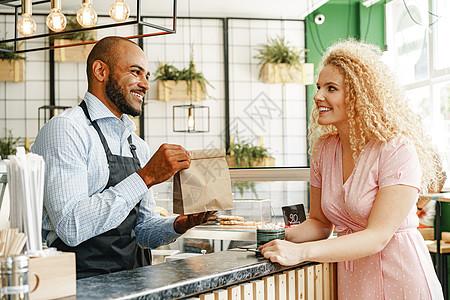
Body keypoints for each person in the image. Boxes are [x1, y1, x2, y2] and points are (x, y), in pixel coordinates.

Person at [259, 39, 444, 299]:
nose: (318, 96)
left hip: (401, 278)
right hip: (354, 279)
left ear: (359, 96)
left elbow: (377, 237)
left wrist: (301, 252)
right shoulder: (324, 149)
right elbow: (320, 223)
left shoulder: (396, 150)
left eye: (331, 88)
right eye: (319, 87)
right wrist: (274, 235)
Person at [31, 36, 214, 279]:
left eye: (147, 76)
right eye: (136, 72)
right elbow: (70, 226)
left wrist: (179, 224)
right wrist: (146, 176)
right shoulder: (65, 129)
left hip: (135, 283)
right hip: (81, 286)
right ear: (100, 71)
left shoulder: (137, 145)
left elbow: (143, 231)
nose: (146, 84)